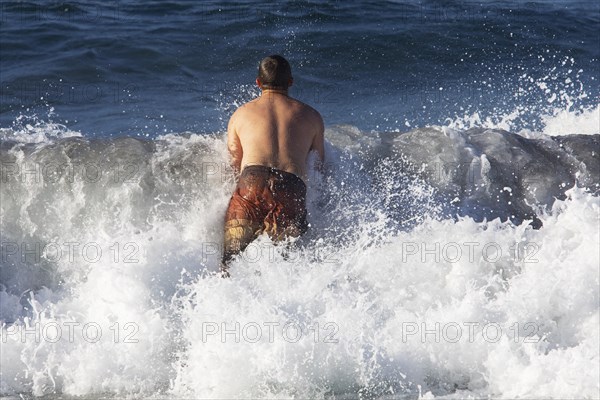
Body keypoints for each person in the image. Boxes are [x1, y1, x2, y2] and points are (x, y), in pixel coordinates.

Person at [221, 55, 325, 276]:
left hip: (251, 182)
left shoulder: (240, 114)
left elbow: (234, 162)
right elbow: (318, 166)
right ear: (290, 82)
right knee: (287, 266)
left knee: (229, 262)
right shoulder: (312, 116)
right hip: (290, 186)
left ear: (258, 83)